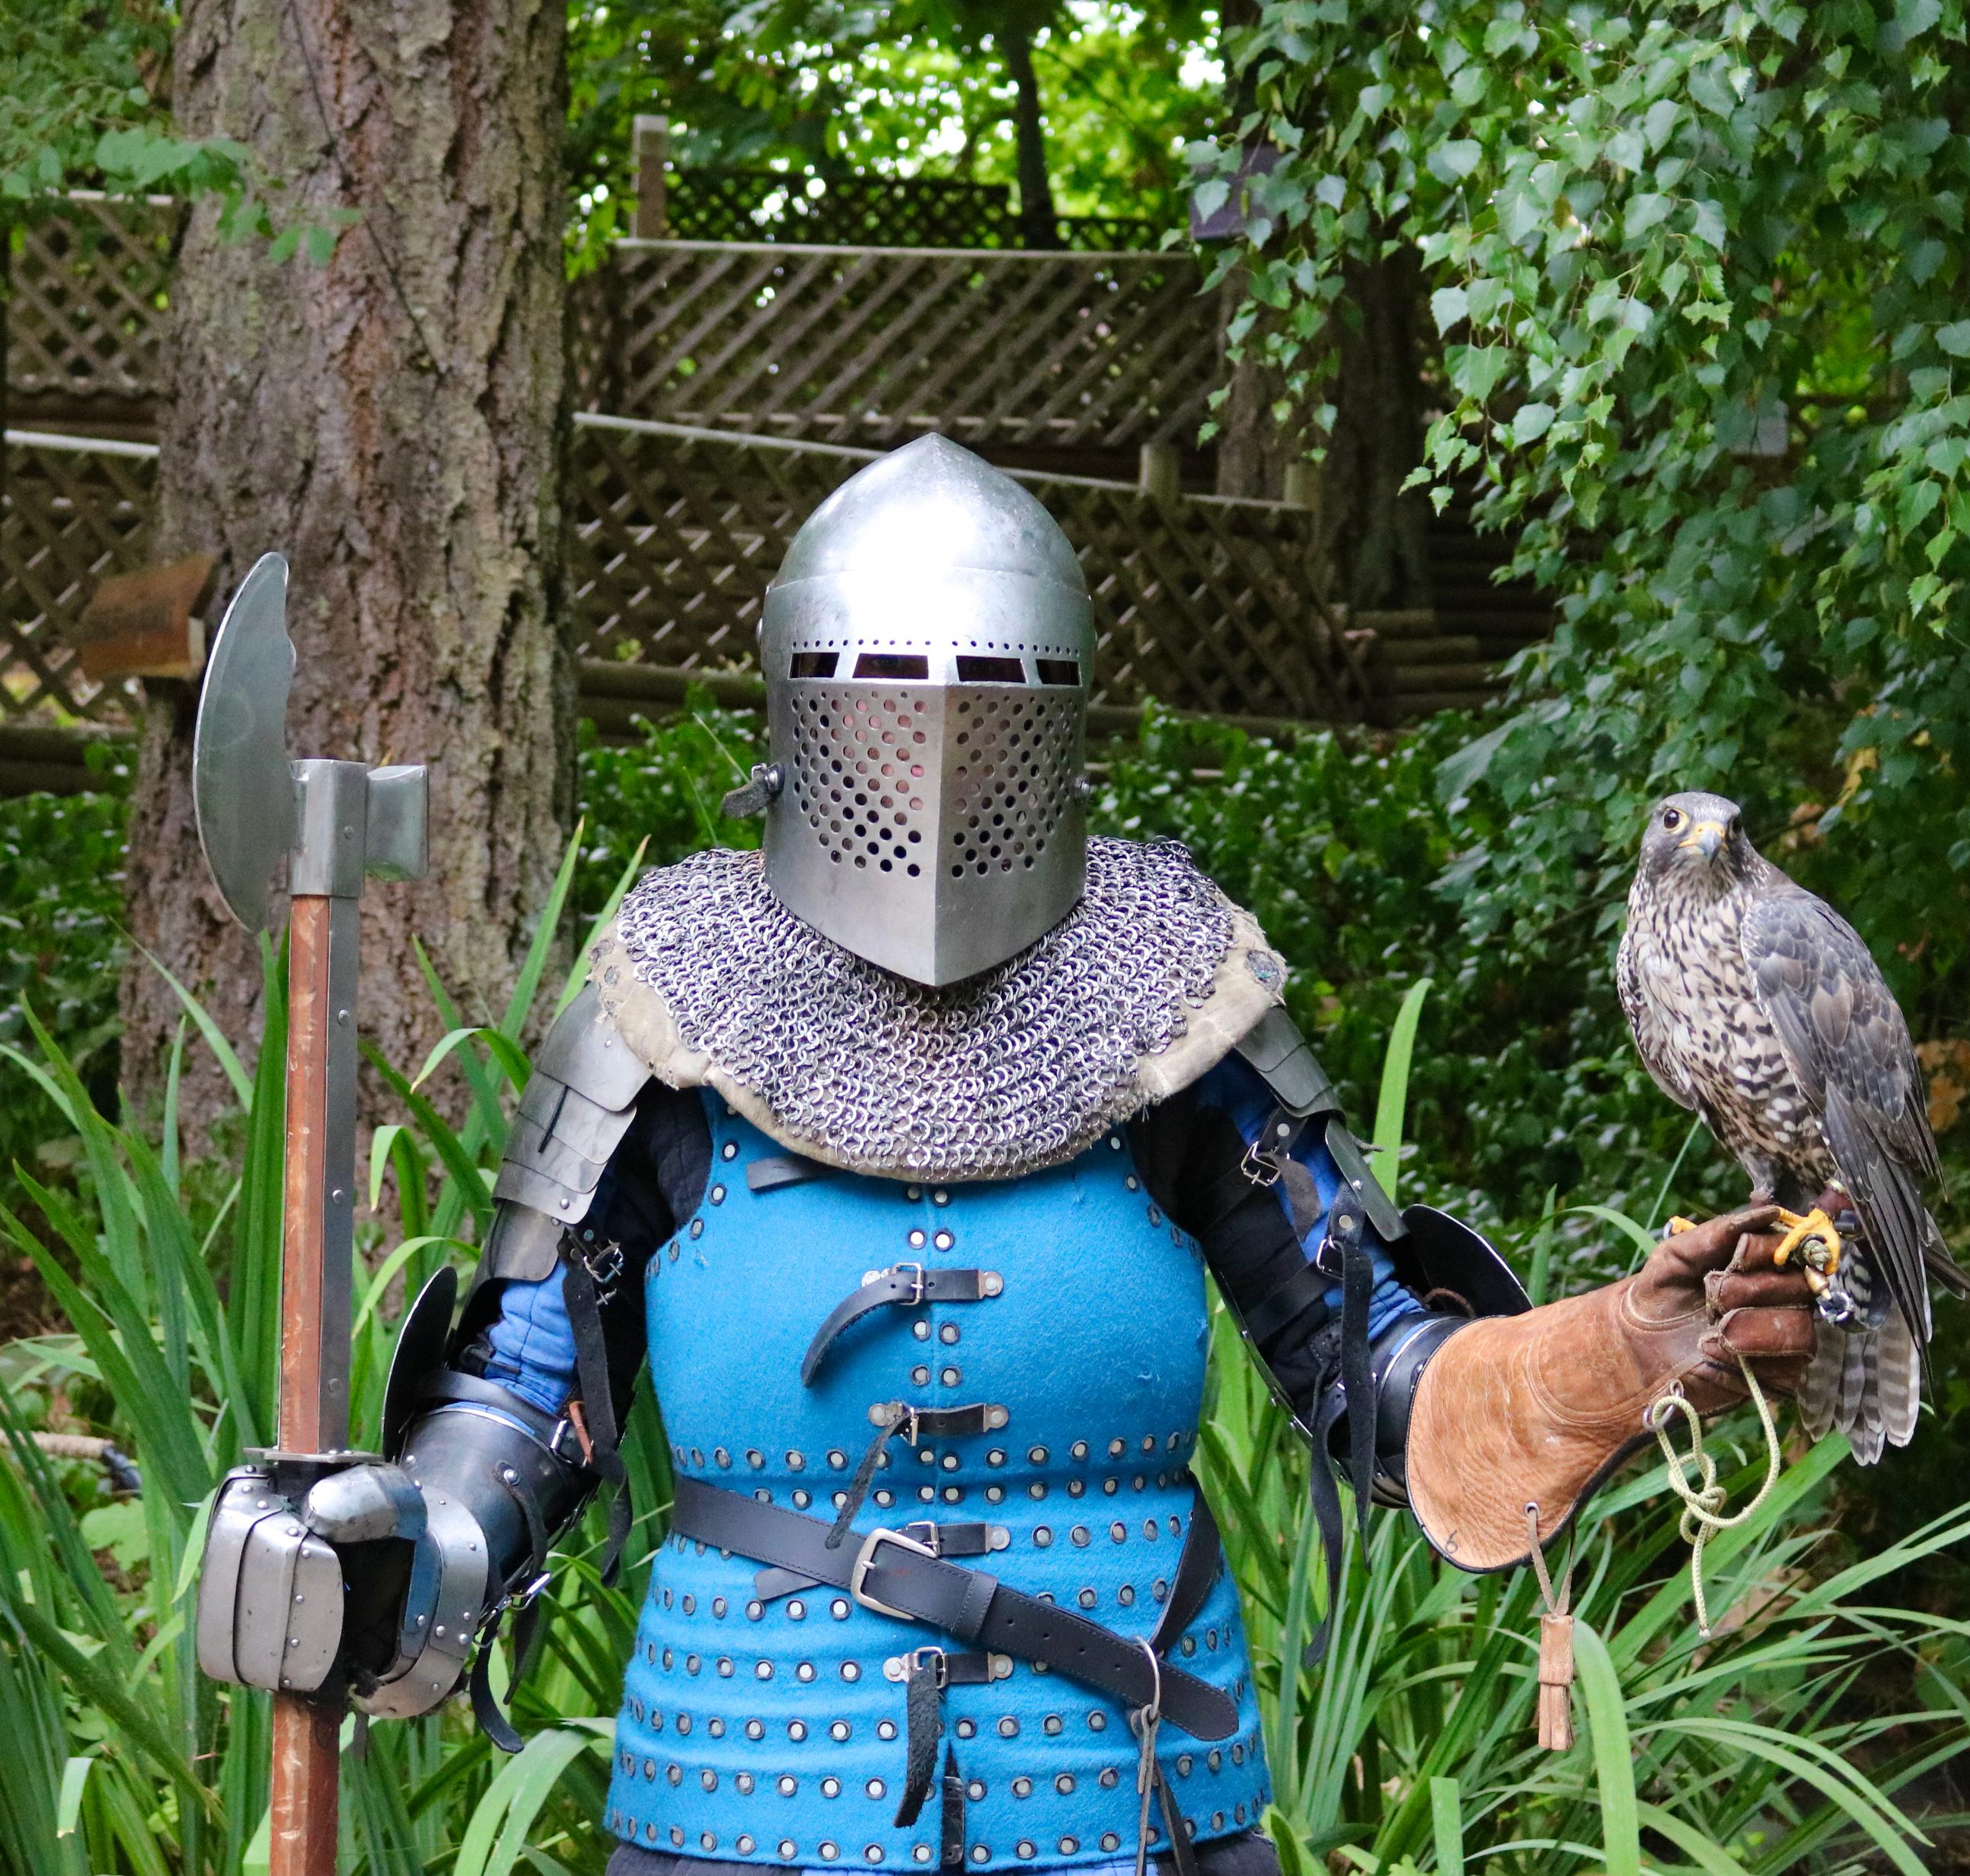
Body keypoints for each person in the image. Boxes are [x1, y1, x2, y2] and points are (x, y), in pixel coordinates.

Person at [197, 436, 1818, 1876]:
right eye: (882, 689)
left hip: (1134, 1817)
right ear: (797, 706)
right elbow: (526, 1391)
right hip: (742, 1812)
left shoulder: (1171, 990)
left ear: (1071, 714)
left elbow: (1378, 1369)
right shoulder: (670, 990)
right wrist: (414, 1549)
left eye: (1001, 694)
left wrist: (1623, 1351)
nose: (942, 745)